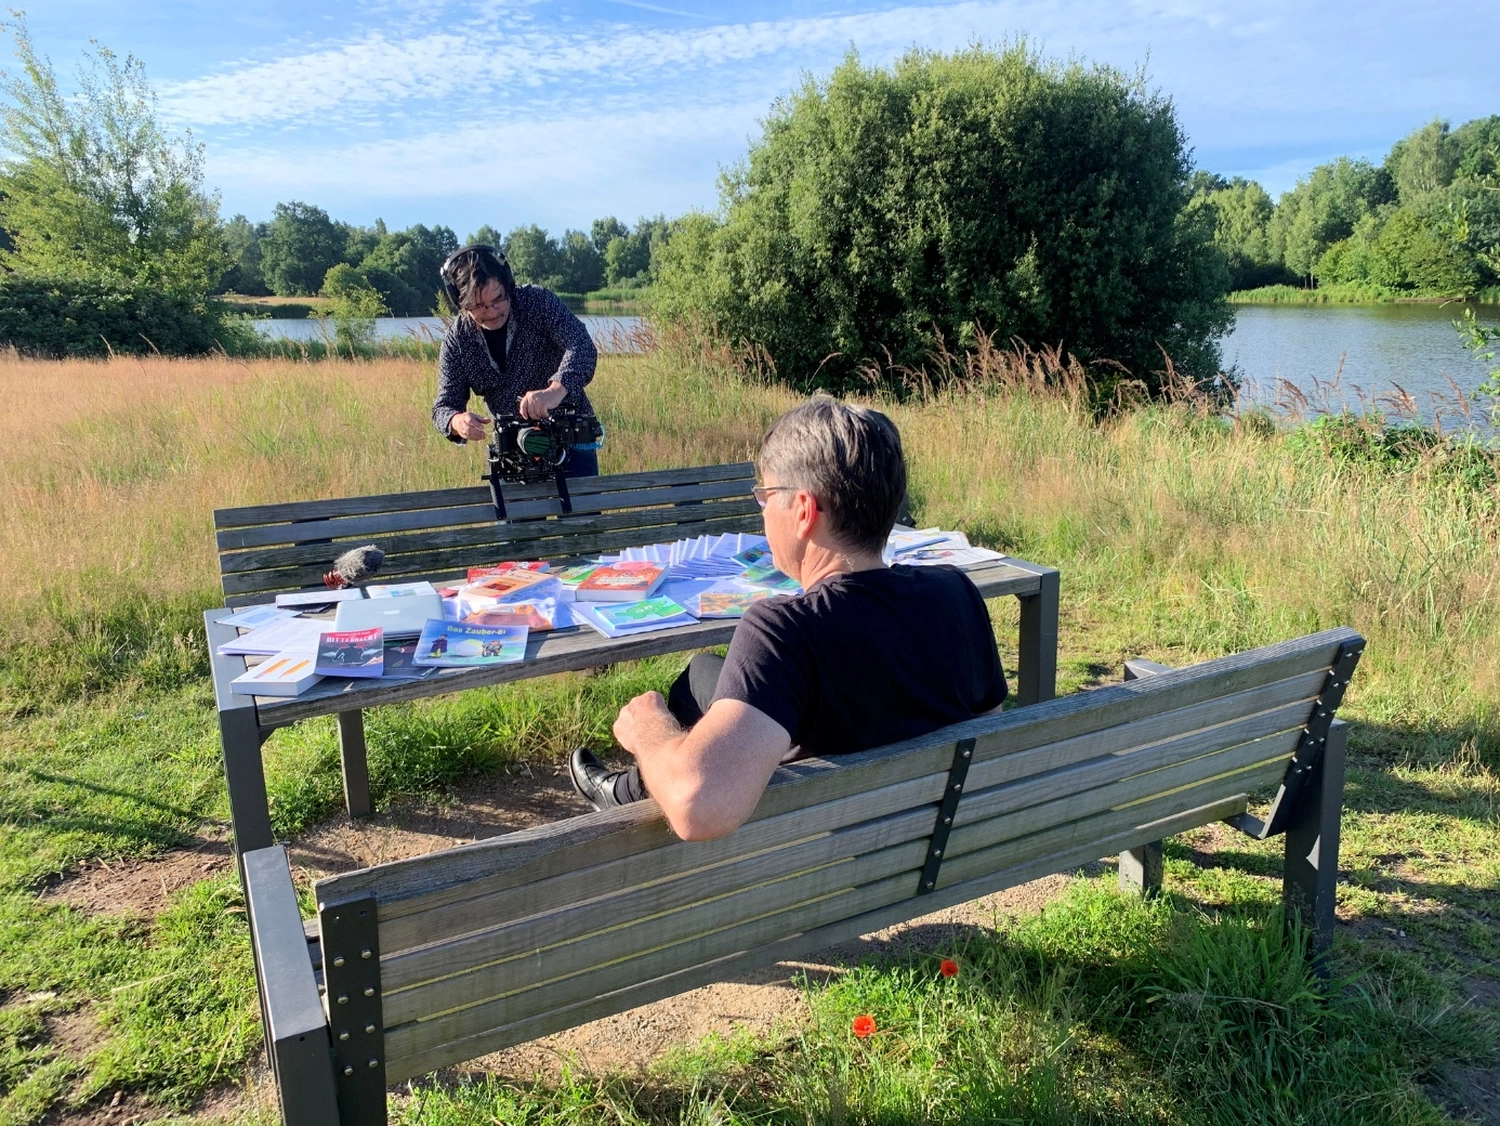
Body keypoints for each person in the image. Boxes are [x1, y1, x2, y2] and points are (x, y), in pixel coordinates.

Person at [569, 396, 1007, 841]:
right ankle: (626, 788)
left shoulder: (785, 631)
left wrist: (648, 731)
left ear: (803, 510)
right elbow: (989, 724)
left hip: (813, 854)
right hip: (927, 841)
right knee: (703, 671)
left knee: (692, 697)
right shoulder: (956, 592)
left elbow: (698, 808)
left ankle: (627, 788)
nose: (762, 511)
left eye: (765, 495)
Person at [431, 245, 601, 477]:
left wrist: (556, 390)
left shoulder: (538, 303)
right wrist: (457, 421)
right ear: (459, 302)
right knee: (519, 515)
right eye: (478, 306)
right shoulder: (457, 340)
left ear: (508, 286)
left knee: (582, 514)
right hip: (513, 452)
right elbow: (443, 406)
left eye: (498, 299)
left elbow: (581, 345)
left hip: (571, 440)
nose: (491, 312)